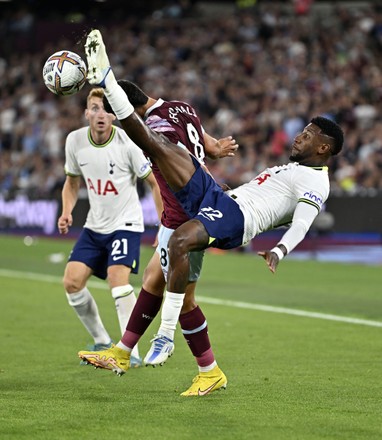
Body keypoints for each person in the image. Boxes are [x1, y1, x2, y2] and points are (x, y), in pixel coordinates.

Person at [79, 29, 344, 396]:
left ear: (324, 148)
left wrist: (280, 249)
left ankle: (165, 335)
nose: (299, 136)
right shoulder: (297, 169)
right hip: (221, 198)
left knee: (175, 221)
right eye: (302, 131)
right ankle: (155, 359)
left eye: (309, 135)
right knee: (158, 276)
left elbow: (302, 222)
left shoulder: (318, 183)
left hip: (238, 220)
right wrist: (212, 153)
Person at [58, 87, 163, 368]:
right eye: (94, 108)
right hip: (94, 226)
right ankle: (103, 341)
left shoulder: (129, 143)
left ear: (114, 116)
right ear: (86, 113)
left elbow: (153, 182)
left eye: (105, 109)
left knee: (118, 281)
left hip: (125, 224)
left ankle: (132, 352)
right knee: (71, 282)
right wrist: (67, 211)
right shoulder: (75, 141)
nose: (100, 114)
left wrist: (163, 222)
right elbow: (71, 182)